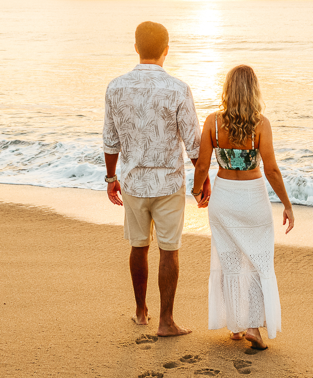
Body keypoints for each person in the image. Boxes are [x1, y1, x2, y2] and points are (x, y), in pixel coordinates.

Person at [103, 21, 211, 337]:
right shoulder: (178, 88)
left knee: (138, 246)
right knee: (169, 251)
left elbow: (110, 140)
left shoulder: (116, 87)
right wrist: (201, 180)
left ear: (136, 47)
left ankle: (140, 311)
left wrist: (111, 177)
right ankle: (166, 321)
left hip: (134, 182)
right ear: (166, 49)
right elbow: (193, 142)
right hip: (167, 183)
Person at [191, 65, 294, 350]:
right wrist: (287, 205)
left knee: (230, 262)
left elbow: (202, 164)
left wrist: (197, 190)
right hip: (252, 199)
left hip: (223, 198)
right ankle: (252, 327)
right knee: (259, 261)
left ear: (228, 88)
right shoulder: (261, 124)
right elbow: (271, 170)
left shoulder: (213, 122)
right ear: (254, 90)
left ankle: (236, 326)